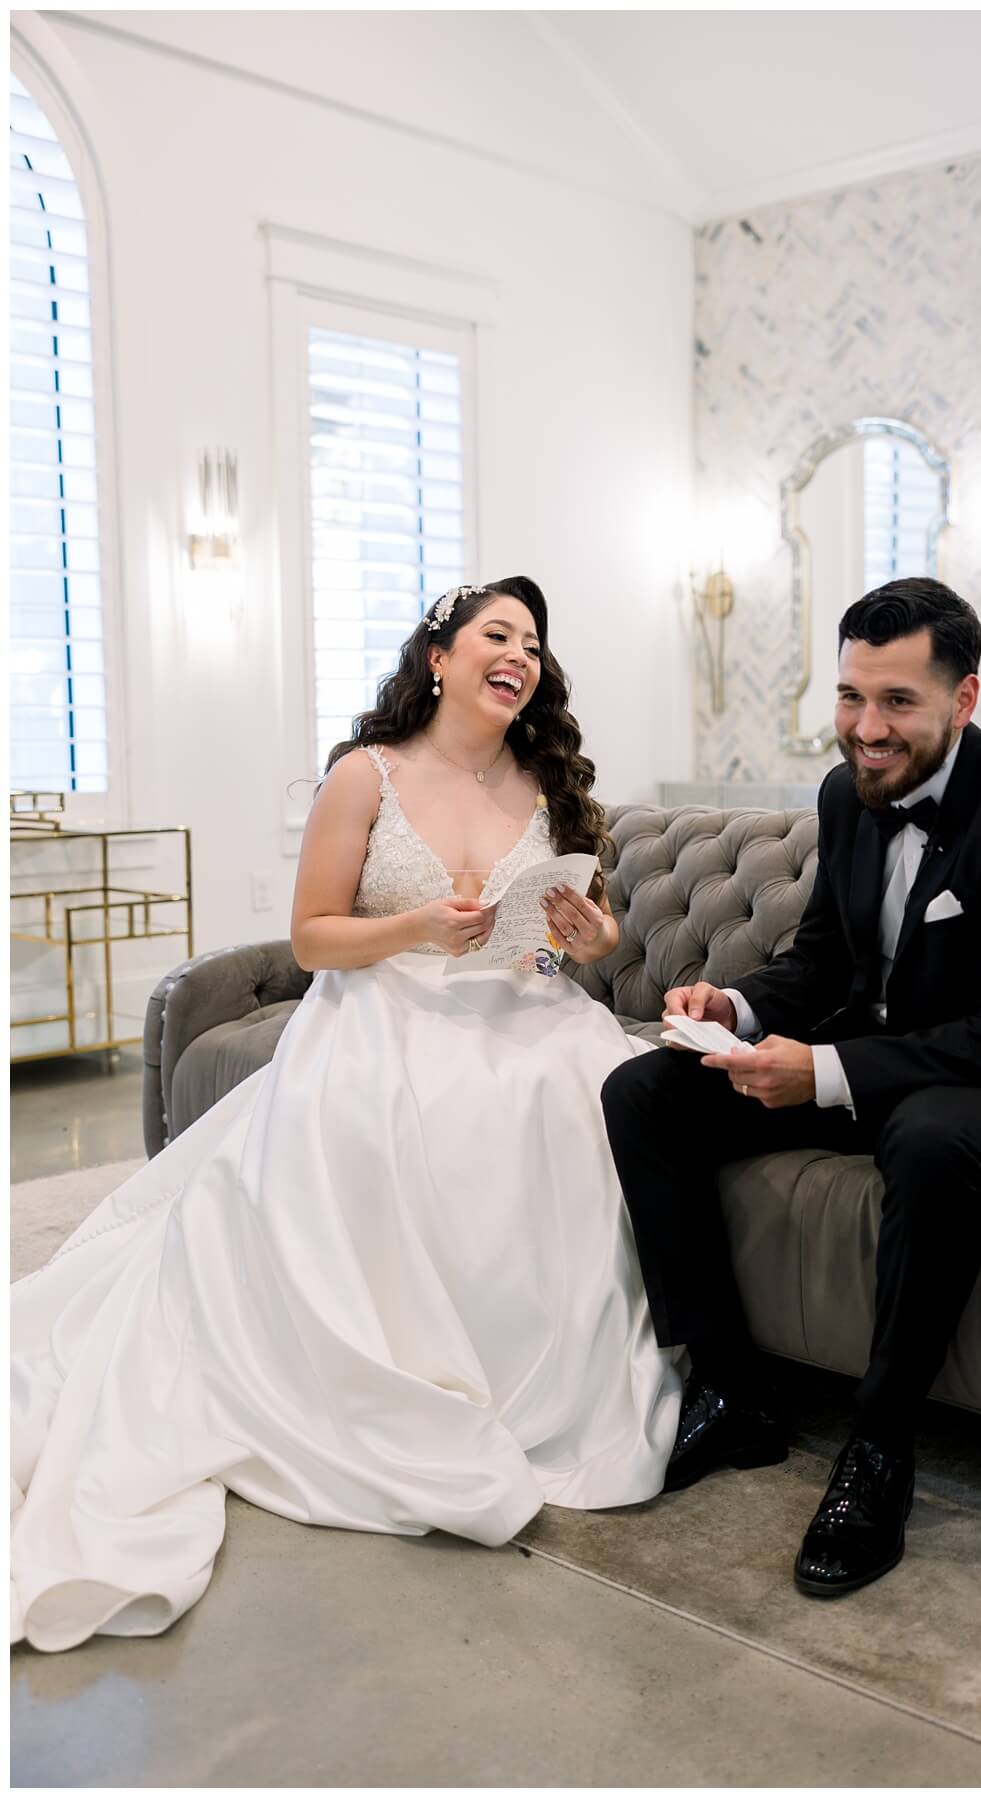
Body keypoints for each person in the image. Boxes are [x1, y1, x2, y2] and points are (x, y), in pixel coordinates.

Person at [11, 577, 677, 1653]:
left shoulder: (542, 784)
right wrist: (417, 923)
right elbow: (316, 936)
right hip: (383, 1003)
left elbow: (556, 944)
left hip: (522, 1003)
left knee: (572, 1090)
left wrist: (584, 941)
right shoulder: (366, 774)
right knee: (414, 1105)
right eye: (495, 635)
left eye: (533, 643)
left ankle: (551, 1373)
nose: (518, 654)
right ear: (440, 659)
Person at [600, 577, 981, 1598]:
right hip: (875, 1061)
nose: (866, 727)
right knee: (645, 1093)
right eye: (852, 696)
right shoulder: (845, 793)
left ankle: (880, 1451)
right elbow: (821, 964)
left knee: (934, 1138)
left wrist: (825, 1073)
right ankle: (730, 1387)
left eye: (897, 701)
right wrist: (741, 1012)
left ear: (963, 700)